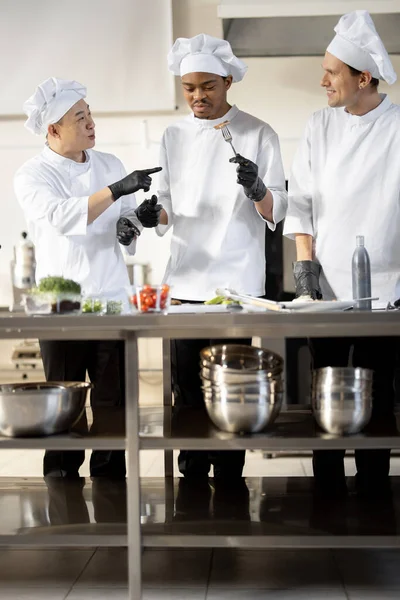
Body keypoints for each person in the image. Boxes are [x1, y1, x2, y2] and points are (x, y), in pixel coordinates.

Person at [150, 34, 287, 485]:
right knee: (187, 388)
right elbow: (166, 205)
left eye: (206, 86)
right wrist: (153, 214)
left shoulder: (258, 131)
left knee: (231, 384)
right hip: (186, 280)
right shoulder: (172, 135)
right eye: (188, 87)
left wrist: (257, 189)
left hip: (234, 284)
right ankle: (190, 474)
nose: (196, 96)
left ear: (227, 81)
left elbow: (277, 209)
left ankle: (230, 475)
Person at [14, 77, 162, 478]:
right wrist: (116, 191)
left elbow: (119, 224)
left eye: (90, 113)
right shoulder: (32, 175)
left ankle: (113, 489)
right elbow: (65, 217)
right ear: (53, 129)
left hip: (110, 299)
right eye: (80, 118)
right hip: (60, 305)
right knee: (63, 403)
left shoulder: (109, 163)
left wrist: (136, 221)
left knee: (115, 404)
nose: (91, 123)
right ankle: (62, 490)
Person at [283, 10, 399, 498]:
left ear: (364, 77)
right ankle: (327, 495)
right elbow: (302, 203)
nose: (323, 80)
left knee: (378, 395)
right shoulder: (318, 126)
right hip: (325, 289)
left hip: (388, 290)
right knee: (325, 394)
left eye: (332, 72)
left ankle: (374, 497)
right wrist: (305, 270)